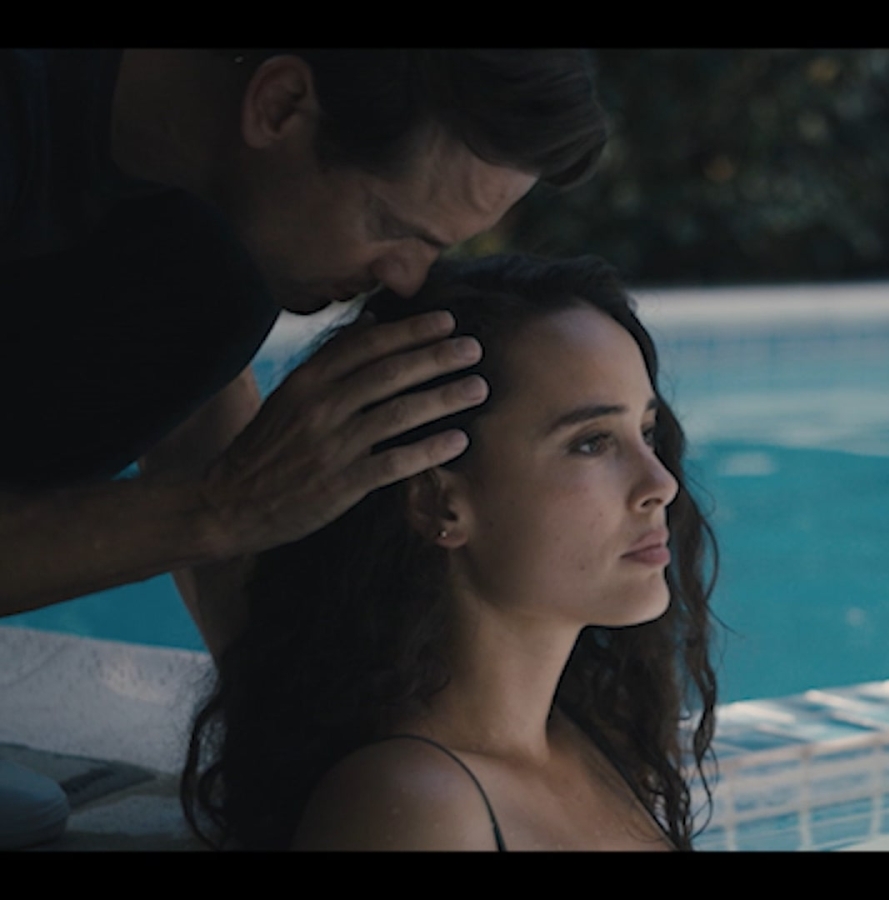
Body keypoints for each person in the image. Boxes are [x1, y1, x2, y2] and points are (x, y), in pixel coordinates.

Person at [0, 50, 608, 657]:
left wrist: (315, 703)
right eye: (392, 226)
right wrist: (220, 508)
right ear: (280, 104)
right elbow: (228, 500)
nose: (406, 281)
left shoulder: (210, 248)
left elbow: (191, 419)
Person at [180, 255, 719, 851]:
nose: (661, 484)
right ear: (438, 502)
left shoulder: (597, 740)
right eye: (591, 443)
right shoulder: (415, 804)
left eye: (646, 432)